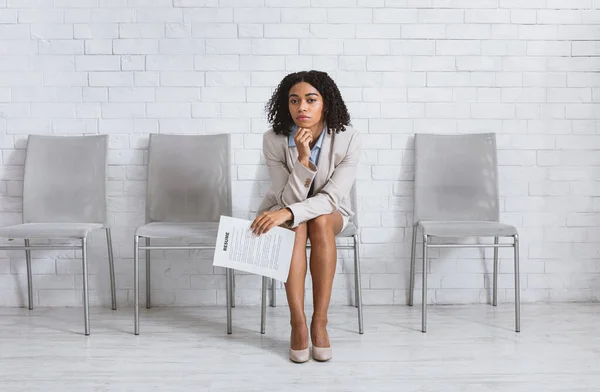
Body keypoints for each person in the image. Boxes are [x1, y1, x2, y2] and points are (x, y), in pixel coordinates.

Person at [250, 70, 360, 363]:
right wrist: (302, 159)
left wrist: (287, 213)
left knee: (320, 221)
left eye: (311, 100)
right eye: (294, 101)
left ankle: (319, 322)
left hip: (331, 212)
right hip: (286, 208)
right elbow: (286, 197)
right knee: (296, 227)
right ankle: (297, 322)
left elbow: (331, 198)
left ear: (325, 103)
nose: (302, 108)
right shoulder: (273, 140)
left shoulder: (348, 138)